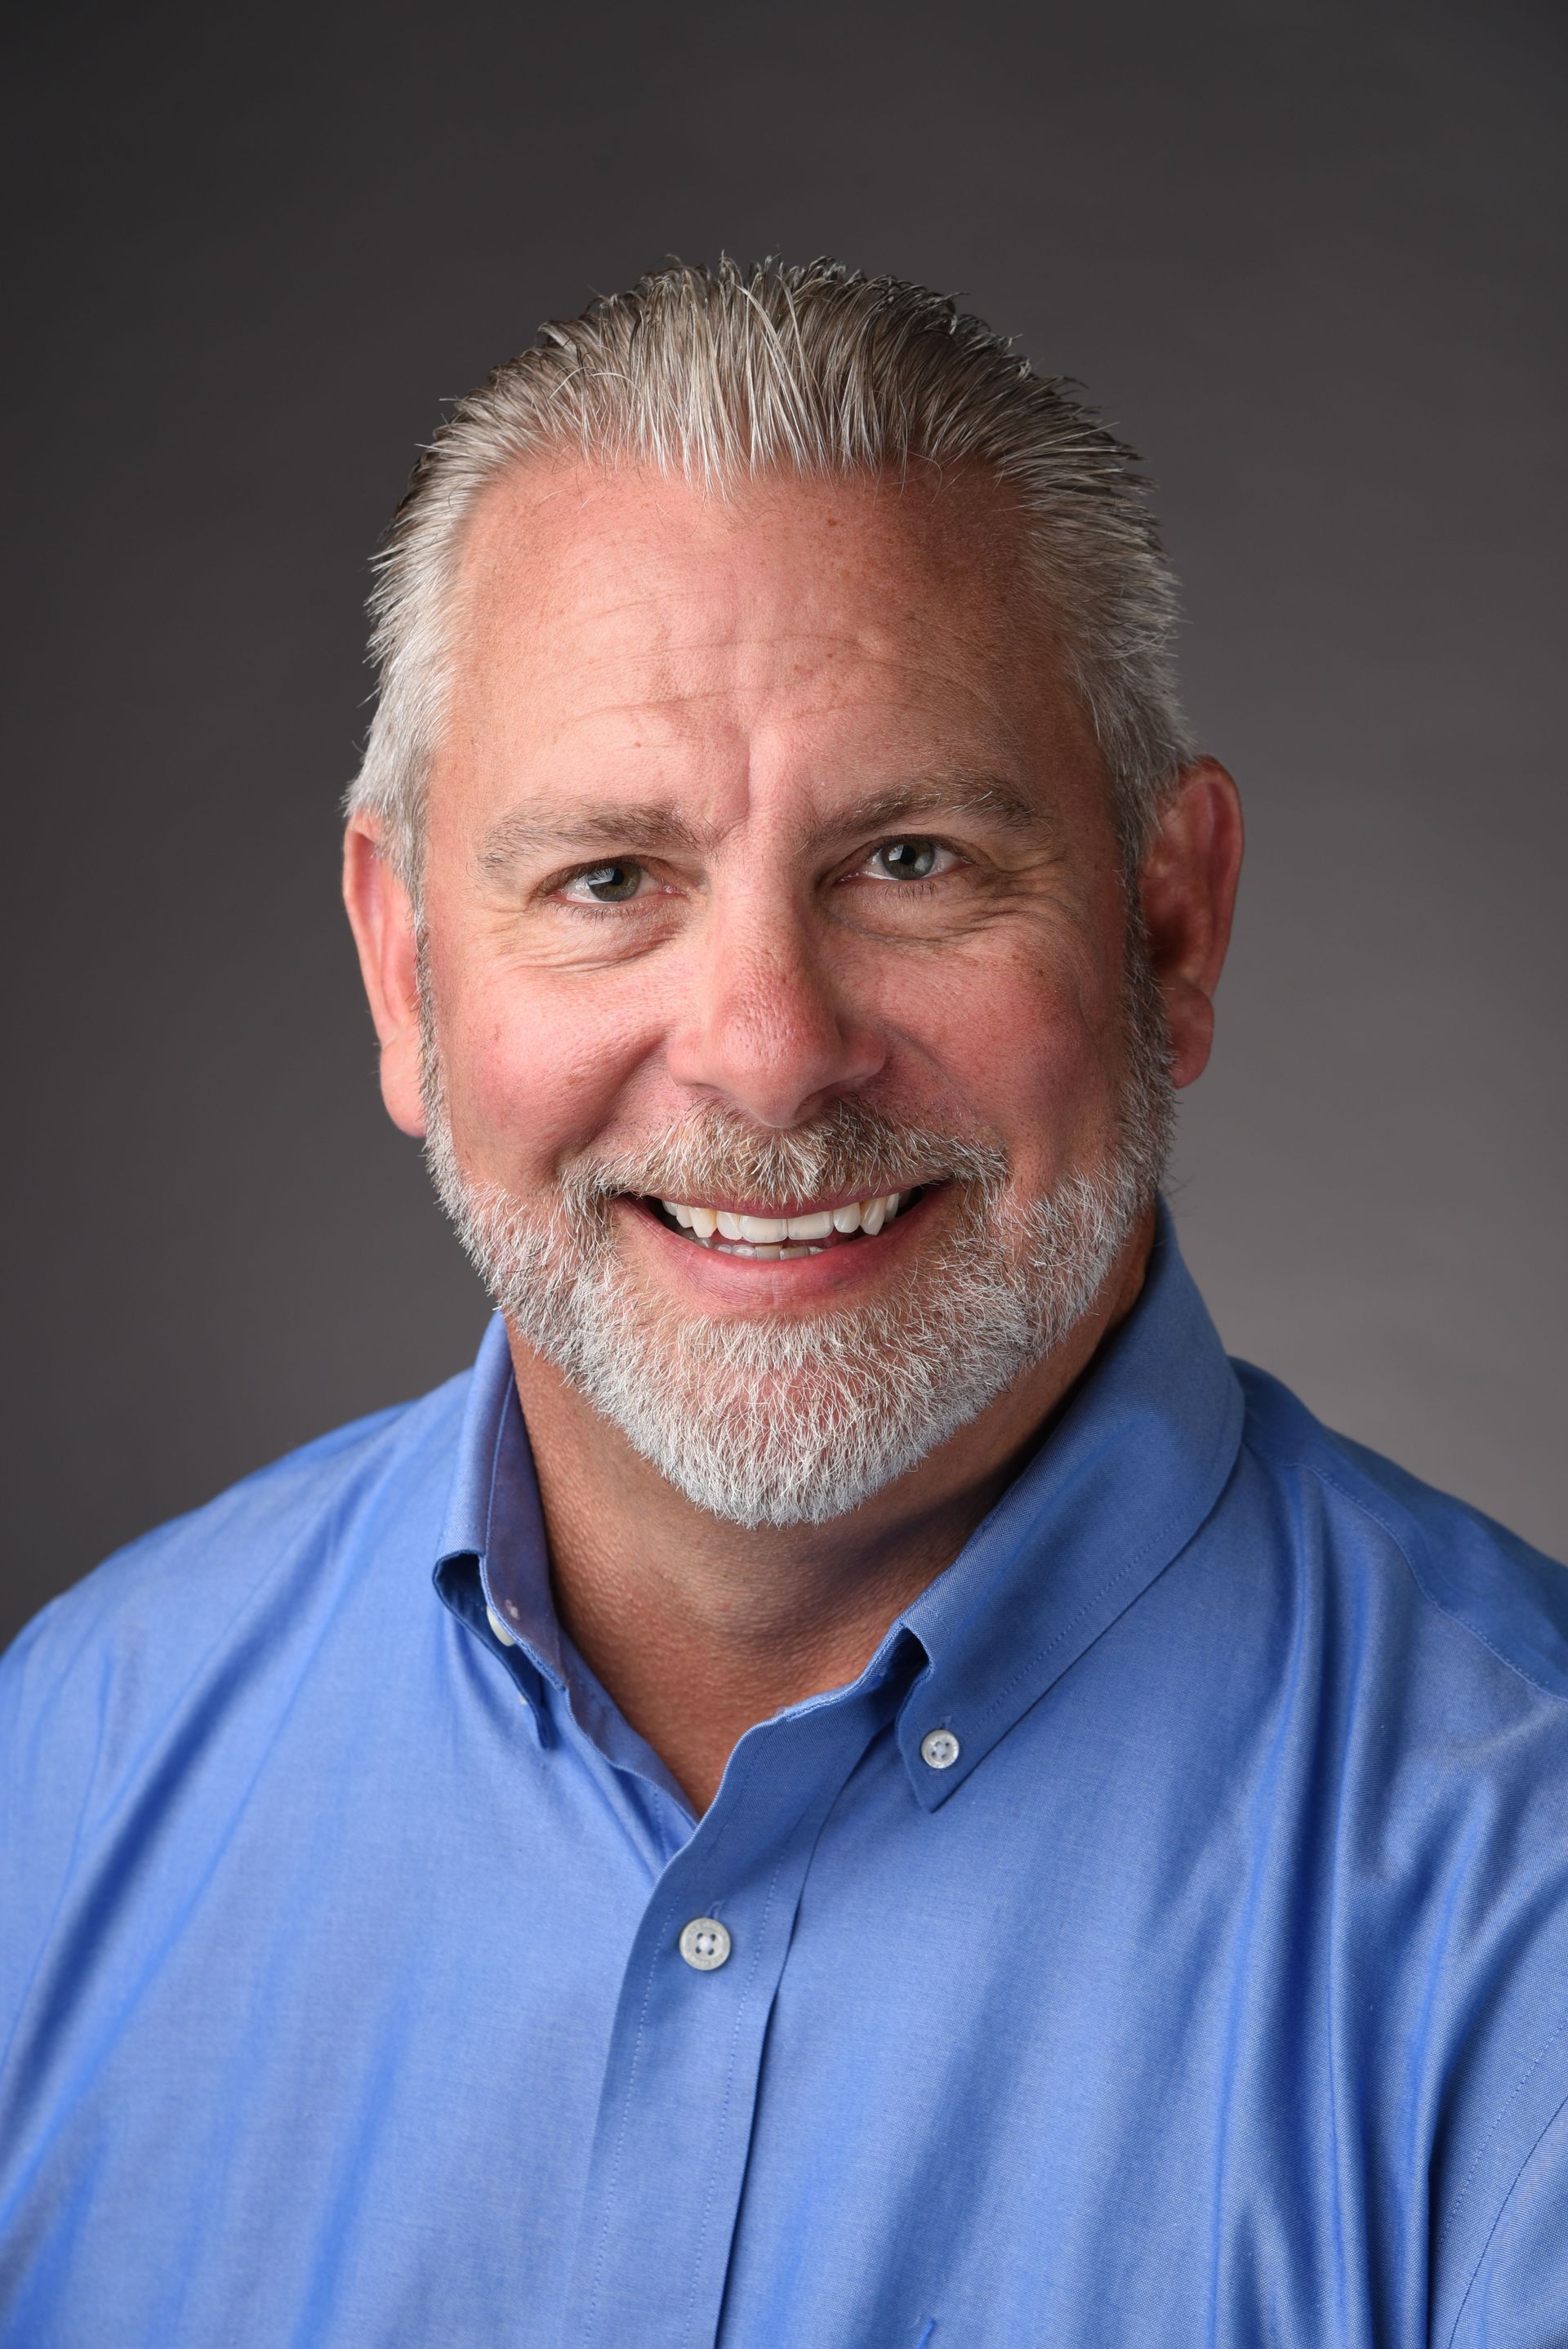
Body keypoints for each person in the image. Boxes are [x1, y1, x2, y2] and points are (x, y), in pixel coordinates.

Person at [2, 257, 1564, 2349]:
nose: (765, 1054)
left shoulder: (1526, 1903)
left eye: (911, 860)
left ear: (1170, 928)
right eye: (609, 879)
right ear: (403, 967)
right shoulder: (69, 1777)